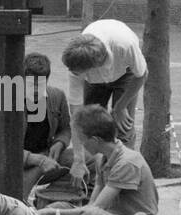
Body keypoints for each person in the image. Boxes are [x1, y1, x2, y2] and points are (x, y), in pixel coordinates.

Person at [44, 105, 159, 215]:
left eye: (82, 140)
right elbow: (92, 205)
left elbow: (95, 210)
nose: (81, 145)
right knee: (60, 207)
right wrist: (56, 211)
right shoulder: (102, 158)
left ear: (95, 140)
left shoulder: (127, 163)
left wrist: (55, 213)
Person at [60, 19, 147, 187]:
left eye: (79, 73)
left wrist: (120, 107)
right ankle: (96, 178)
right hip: (94, 81)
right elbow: (77, 116)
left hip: (126, 74)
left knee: (123, 128)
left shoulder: (125, 45)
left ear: (95, 66)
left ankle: (125, 179)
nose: (73, 74)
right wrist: (78, 159)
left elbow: (142, 75)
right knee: (90, 127)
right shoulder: (76, 68)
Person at [21, 52, 72, 193]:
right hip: (19, 162)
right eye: (31, 84)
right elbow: (5, 148)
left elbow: (65, 129)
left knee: (87, 158)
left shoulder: (58, 96)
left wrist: (60, 143)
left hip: (47, 155)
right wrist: (38, 160)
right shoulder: (9, 100)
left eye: (41, 84)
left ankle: (55, 192)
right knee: (16, 202)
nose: (36, 90)